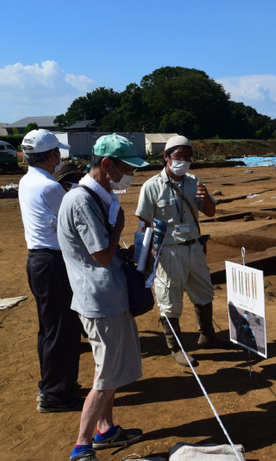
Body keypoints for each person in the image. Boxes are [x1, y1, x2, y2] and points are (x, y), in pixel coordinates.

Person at [58, 134, 147, 461]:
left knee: (111, 370)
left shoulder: (99, 194)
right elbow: (101, 255)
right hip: (99, 300)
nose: (130, 175)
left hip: (109, 296)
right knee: (106, 375)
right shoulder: (81, 201)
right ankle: (82, 446)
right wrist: (118, 226)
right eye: (127, 168)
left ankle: (105, 429)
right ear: (106, 164)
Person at [136, 135, 231, 368]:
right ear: (166, 157)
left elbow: (209, 212)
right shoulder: (151, 186)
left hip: (194, 247)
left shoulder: (193, 181)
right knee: (169, 299)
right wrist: (144, 258)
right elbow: (143, 224)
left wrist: (205, 196)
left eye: (188, 157)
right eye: (179, 156)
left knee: (204, 292)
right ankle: (176, 348)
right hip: (168, 252)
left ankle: (207, 336)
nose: (184, 161)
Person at [18, 129, 83, 414]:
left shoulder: (27, 181)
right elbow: (71, 225)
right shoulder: (50, 187)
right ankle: (57, 394)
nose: (60, 157)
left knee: (49, 329)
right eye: (58, 152)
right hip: (54, 262)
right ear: (51, 155)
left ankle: (51, 384)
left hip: (38, 261)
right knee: (63, 331)